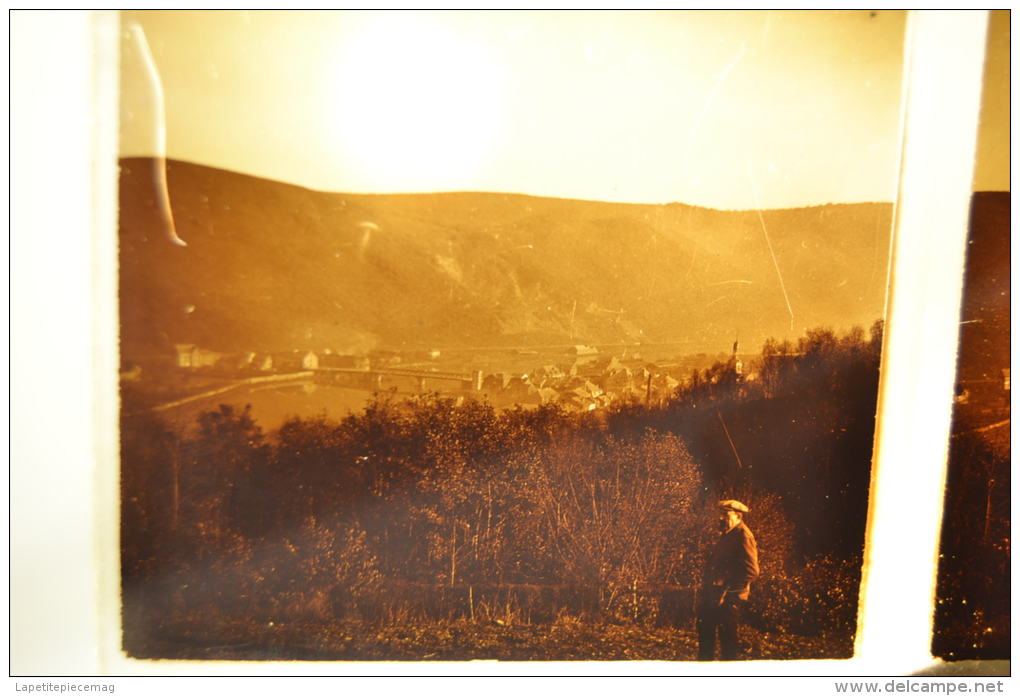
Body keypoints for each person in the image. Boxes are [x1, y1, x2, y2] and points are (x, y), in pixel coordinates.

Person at [697, 499, 759, 661]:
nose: (721, 518)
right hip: (714, 595)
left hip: (729, 599)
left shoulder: (743, 536)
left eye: (725, 515)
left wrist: (729, 594)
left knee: (728, 645)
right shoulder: (728, 535)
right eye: (720, 515)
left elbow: (751, 571)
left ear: (738, 516)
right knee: (706, 637)